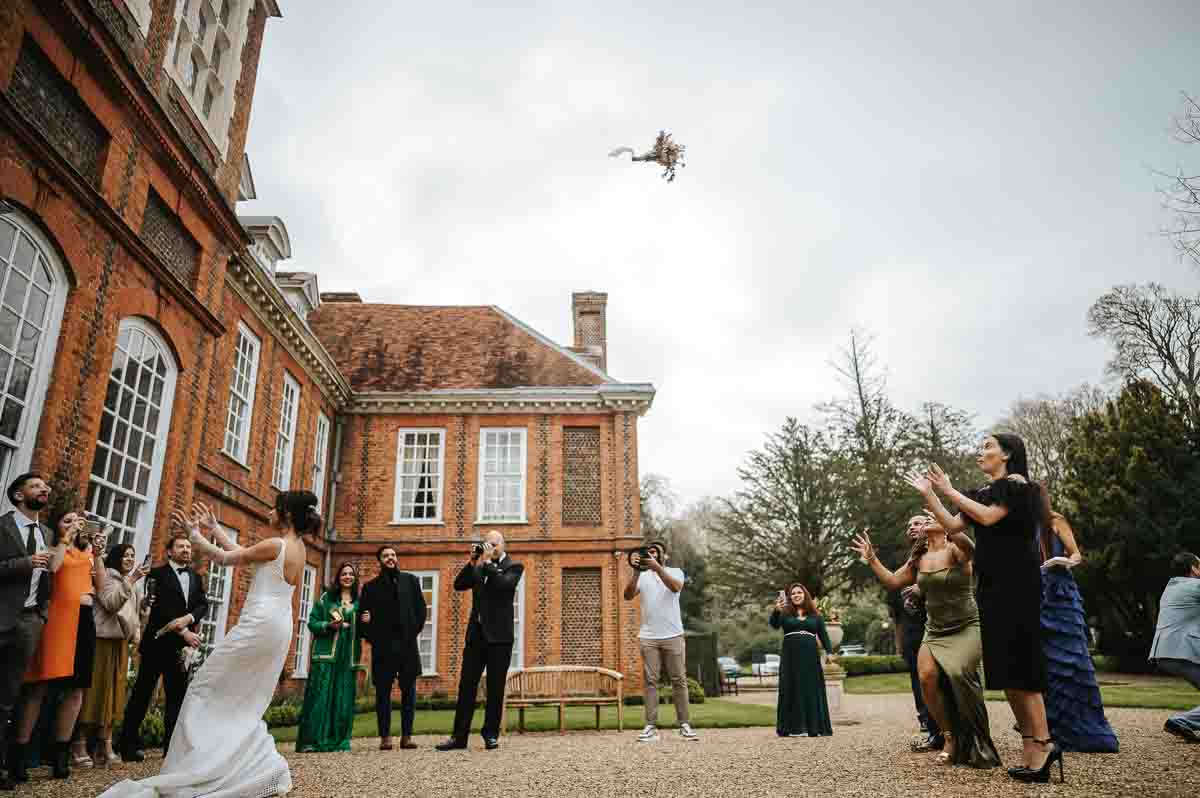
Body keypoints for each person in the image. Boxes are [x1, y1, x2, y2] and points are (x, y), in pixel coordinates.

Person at [99, 493, 316, 798]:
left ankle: (202, 765)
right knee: (244, 694)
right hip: (279, 626)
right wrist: (215, 529)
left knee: (203, 685)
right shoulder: (298, 548)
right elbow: (244, 552)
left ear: (288, 516)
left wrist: (194, 535)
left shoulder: (276, 544)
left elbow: (228, 559)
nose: (269, 512)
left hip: (259, 624)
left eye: (274, 508)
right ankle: (243, 761)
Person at [908, 433, 1062, 783]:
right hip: (991, 586)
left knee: (1022, 666)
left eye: (989, 446)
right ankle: (1031, 747)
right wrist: (929, 494)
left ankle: (1044, 742)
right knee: (1006, 671)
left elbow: (990, 518)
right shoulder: (986, 492)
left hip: (1017, 584)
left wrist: (948, 490)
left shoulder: (1018, 486)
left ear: (1007, 454)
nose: (982, 452)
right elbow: (952, 524)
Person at [851, 520, 1000, 768]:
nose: (926, 521)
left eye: (930, 518)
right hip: (935, 629)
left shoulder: (955, 549)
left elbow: (971, 548)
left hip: (965, 625)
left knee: (958, 673)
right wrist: (872, 558)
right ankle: (948, 736)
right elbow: (892, 581)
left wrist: (945, 515)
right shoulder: (919, 558)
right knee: (926, 677)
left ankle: (978, 739)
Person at [12, 507, 110, 781]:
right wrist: (65, 538)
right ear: (57, 526)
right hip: (56, 621)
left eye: (78, 521)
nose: (75, 525)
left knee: (76, 690)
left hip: (84, 622)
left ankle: (60, 754)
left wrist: (99, 556)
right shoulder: (55, 548)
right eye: (67, 521)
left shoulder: (89, 553)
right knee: (39, 686)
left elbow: (101, 588)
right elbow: (52, 569)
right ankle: (19, 755)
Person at [117, 533, 208, 762]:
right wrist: (185, 632)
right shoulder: (157, 574)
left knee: (177, 698)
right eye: (180, 546)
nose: (186, 550)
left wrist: (188, 619)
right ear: (169, 551)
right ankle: (127, 745)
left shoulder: (196, 578)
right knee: (142, 694)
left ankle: (172, 749)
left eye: (188, 547)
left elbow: (202, 605)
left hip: (181, 651)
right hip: (157, 645)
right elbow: (160, 609)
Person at [1038, 511, 1118, 753]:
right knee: (1047, 663)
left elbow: (1076, 555)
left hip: (1059, 591)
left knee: (1072, 659)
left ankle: (1084, 730)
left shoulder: (1055, 521)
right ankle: (1051, 727)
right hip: (1036, 594)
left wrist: (1062, 561)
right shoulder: (1019, 525)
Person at [436, 531, 524, 752]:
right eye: (488, 544)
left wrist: (486, 564)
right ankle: (459, 737)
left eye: (495, 544)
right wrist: (473, 561)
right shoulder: (479, 566)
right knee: (466, 687)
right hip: (476, 637)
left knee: (495, 688)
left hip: (500, 639)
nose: (491, 547)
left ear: (504, 545)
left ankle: (490, 735)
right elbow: (458, 584)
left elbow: (504, 585)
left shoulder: (514, 567)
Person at [0, 474, 53, 791]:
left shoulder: (46, 532)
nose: (44, 489)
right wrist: (26, 562)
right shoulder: (3, 527)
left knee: (7, 699)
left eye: (46, 487)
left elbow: (48, 579)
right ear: (19, 495)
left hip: (29, 622)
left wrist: (41, 615)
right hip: (1, 617)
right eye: (36, 486)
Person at [76, 542, 150, 768]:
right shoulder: (107, 575)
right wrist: (133, 578)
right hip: (102, 640)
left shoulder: (132, 584)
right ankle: (78, 744)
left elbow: (133, 615)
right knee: (94, 693)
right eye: (126, 555)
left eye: (132, 555)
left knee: (113, 696)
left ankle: (104, 745)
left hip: (120, 643)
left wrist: (144, 605)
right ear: (116, 556)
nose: (129, 559)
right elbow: (109, 603)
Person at [622, 541, 698, 742]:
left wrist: (657, 568)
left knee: (679, 680)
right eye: (649, 553)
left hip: (673, 635)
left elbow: (674, 587)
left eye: (655, 552)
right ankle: (650, 727)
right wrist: (637, 572)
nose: (651, 555)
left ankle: (684, 725)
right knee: (650, 681)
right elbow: (628, 595)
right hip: (648, 637)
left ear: (664, 556)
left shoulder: (675, 571)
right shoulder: (643, 576)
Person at [358, 547, 426, 751]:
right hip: (383, 648)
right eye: (386, 556)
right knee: (383, 694)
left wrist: (412, 631)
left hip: (407, 646)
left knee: (409, 693)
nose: (390, 558)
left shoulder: (410, 581)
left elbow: (421, 610)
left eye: (393, 555)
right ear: (380, 560)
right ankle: (385, 737)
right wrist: (376, 638)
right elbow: (363, 619)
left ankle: (407, 736)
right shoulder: (371, 588)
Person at [295, 562, 366, 753]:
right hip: (325, 653)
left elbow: (366, 632)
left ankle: (339, 740)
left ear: (355, 578)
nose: (348, 577)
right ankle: (312, 741)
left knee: (343, 697)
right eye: (344, 574)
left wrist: (366, 621)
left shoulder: (360, 603)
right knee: (320, 695)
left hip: (348, 656)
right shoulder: (326, 598)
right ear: (338, 577)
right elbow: (312, 623)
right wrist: (328, 625)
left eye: (351, 574)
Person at [886, 515, 942, 752]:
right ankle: (929, 728)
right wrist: (900, 641)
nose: (912, 527)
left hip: (938, 625)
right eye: (908, 525)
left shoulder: (942, 552)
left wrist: (924, 585)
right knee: (918, 681)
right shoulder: (908, 564)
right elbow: (895, 611)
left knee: (939, 678)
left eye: (917, 523)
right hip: (912, 630)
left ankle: (948, 728)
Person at [769, 583, 835, 739]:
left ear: (805, 595)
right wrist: (776, 611)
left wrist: (830, 652)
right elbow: (774, 625)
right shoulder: (785, 613)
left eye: (799, 592)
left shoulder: (816, 615)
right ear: (790, 597)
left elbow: (823, 635)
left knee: (811, 688)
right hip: (790, 656)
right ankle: (794, 728)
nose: (796, 595)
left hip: (810, 656)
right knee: (792, 687)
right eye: (793, 594)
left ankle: (814, 727)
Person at [1149, 551, 1200, 743]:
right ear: (1194, 569)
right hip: (1183, 651)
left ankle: (1184, 722)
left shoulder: (1171, 588)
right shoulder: (1195, 586)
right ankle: (1181, 721)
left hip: (1164, 651)